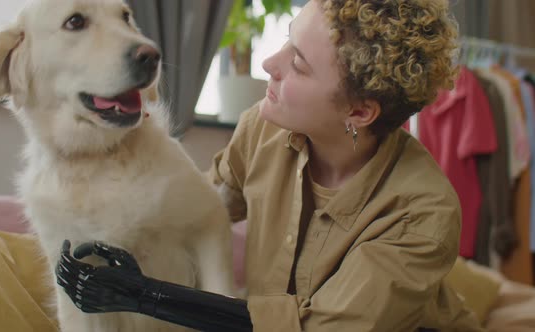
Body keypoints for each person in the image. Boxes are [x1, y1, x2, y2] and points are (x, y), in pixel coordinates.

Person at [57, 0, 485, 331]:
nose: (269, 64)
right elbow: (193, 212)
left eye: (298, 63)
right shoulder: (263, 132)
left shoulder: (421, 215)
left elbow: (315, 328)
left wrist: (148, 296)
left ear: (359, 112)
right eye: (287, 39)